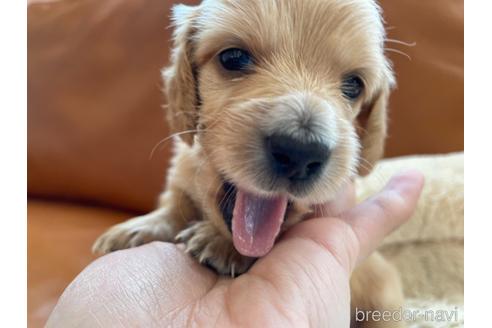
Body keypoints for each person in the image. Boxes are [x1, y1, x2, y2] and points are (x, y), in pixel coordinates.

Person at [46, 171, 424, 327]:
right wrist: (167, 219)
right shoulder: (195, 156)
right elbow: (183, 194)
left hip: (366, 303)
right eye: (237, 61)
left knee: (383, 296)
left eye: (349, 85)